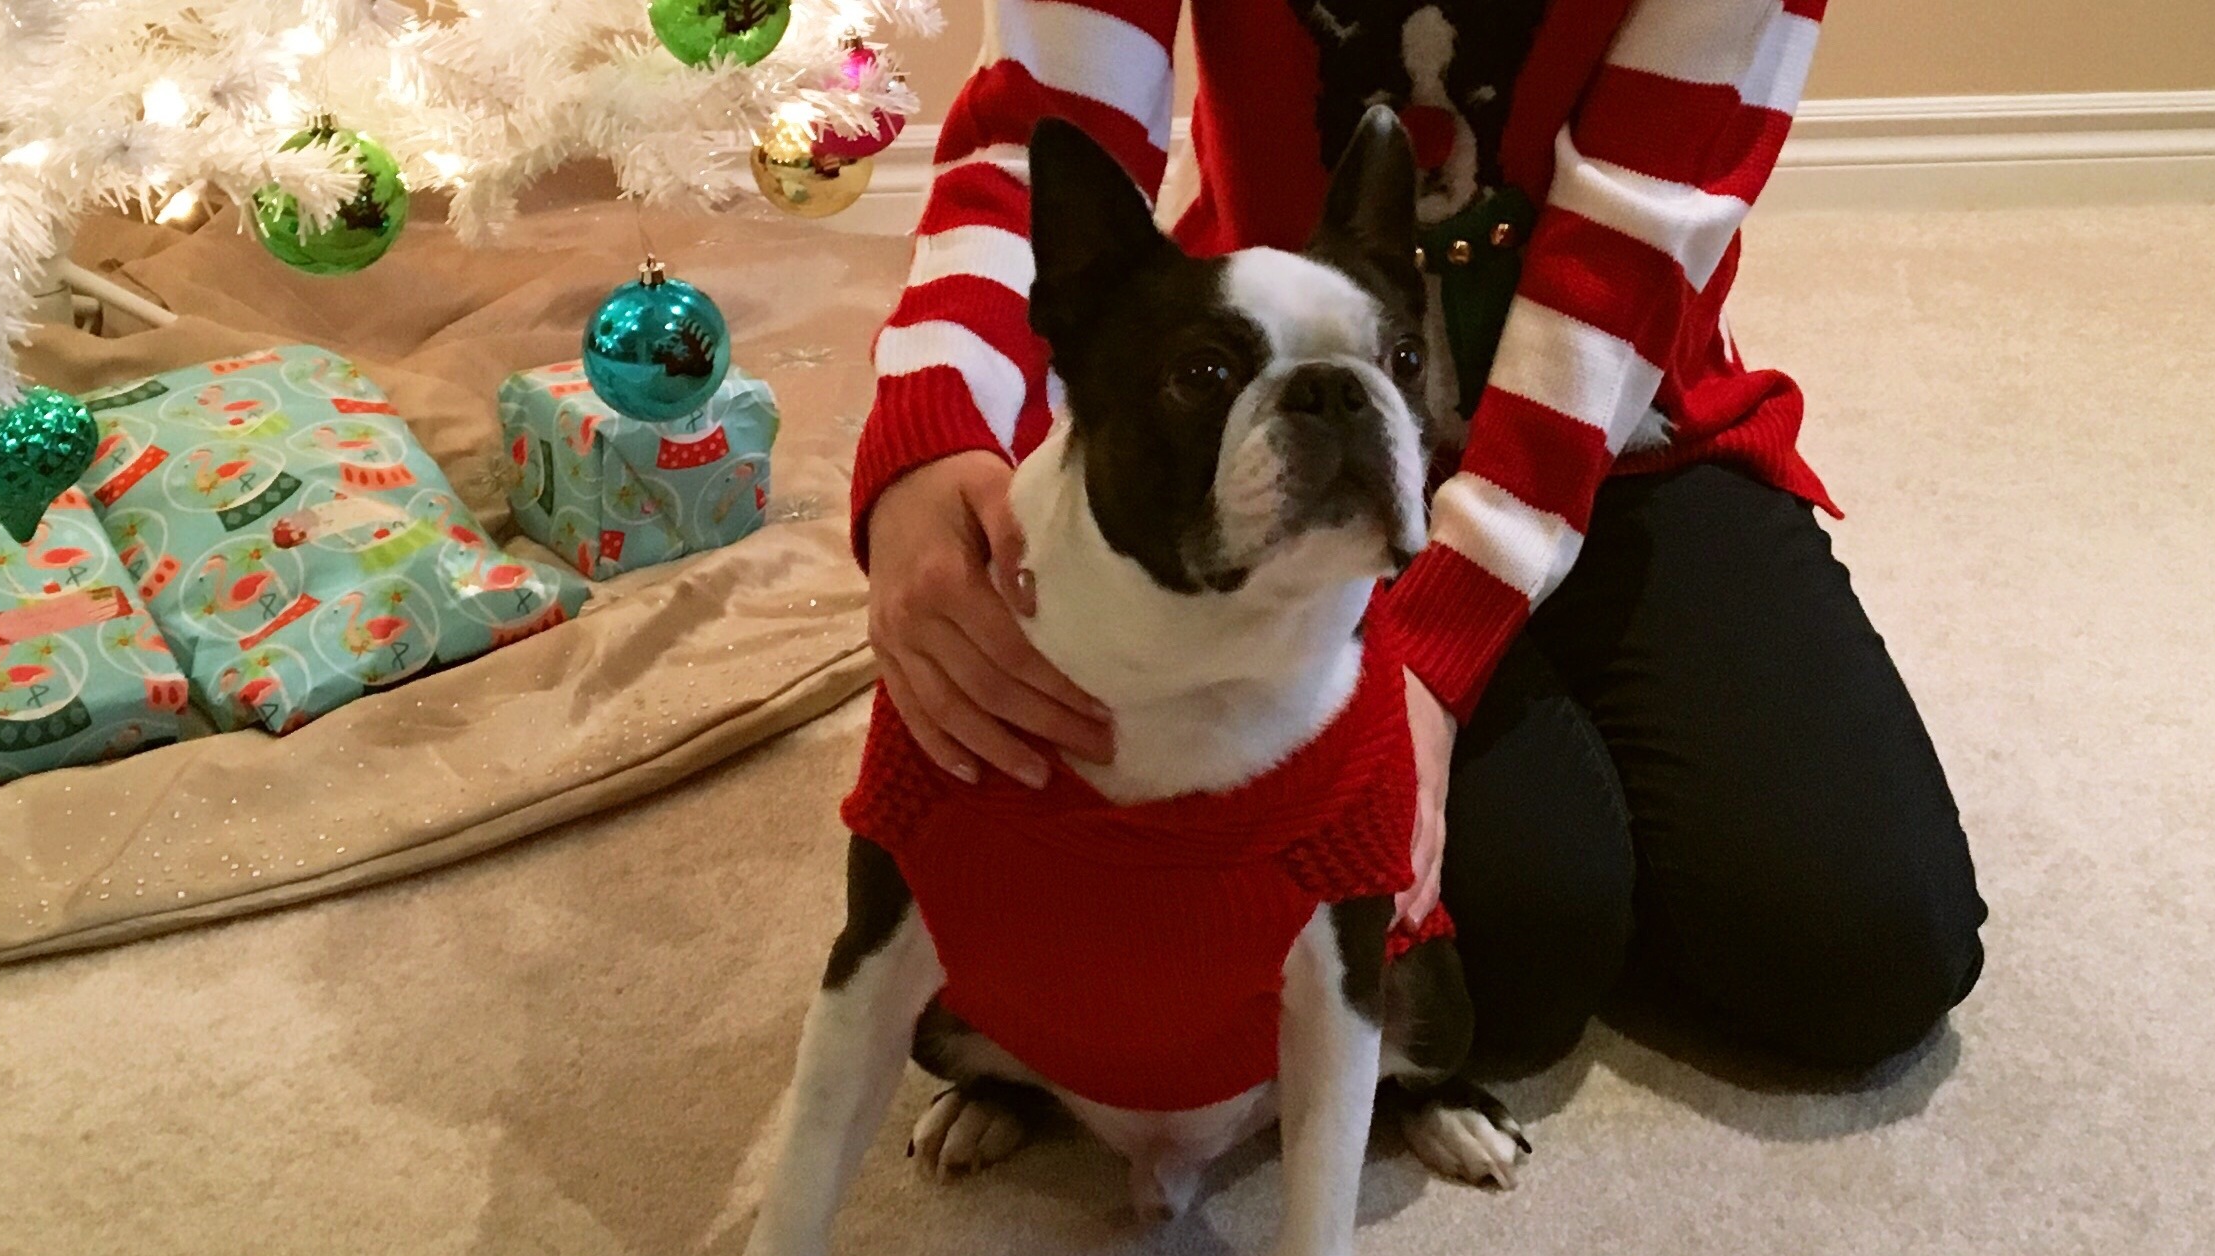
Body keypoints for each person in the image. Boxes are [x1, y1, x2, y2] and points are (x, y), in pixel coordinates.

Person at [850, 0, 1983, 1076]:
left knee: (1869, 952)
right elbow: (1045, 127)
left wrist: (1444, 645)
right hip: (1272, 442)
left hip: (1621, 423)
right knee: (1516, 958)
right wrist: (930, 428)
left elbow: (1638, 235)